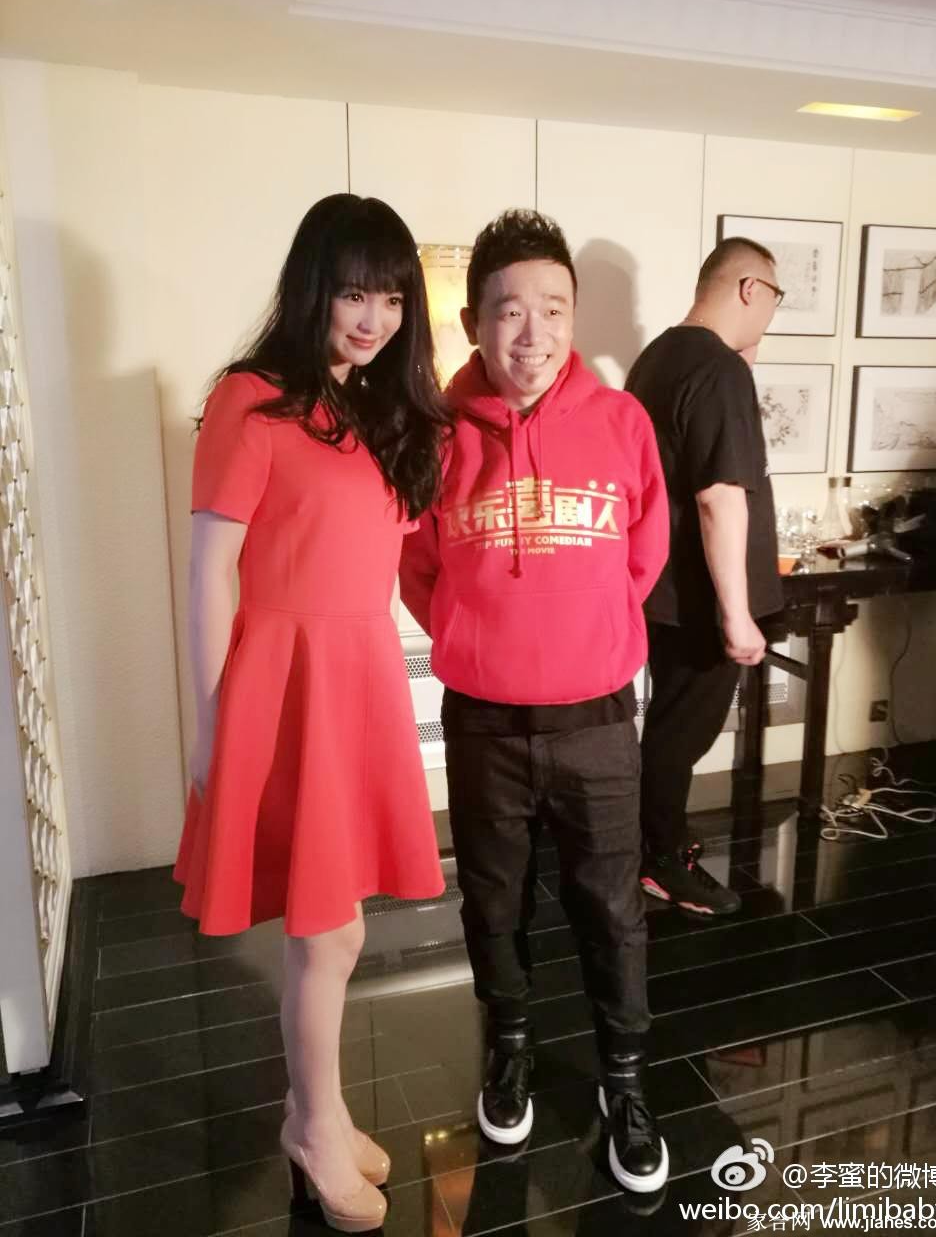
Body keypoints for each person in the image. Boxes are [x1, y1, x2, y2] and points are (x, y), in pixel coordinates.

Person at [174, 194, 448, 1233]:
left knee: (338, 924)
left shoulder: (374, 409)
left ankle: (311, 1112)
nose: (373, 317)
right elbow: (210, 573)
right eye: (353, 292)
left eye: (392, 298)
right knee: (327, 928)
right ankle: (317, 1125)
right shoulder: (252, 401)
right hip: (284, 683)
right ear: (313, 288)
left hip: (357, 676)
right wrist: (211, 726)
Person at [400, 210, 670, 1194]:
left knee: (613, 908)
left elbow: (643, 554)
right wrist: (484, 635)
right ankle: (507, 1049)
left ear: (573, 316)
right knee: (493, 898)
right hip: (483, 723)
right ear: (474, 322)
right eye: (509, 311)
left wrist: (583, 631)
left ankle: (625, 1081)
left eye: (553, 308)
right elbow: (419, 568)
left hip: (598, 720)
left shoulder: (623, 422)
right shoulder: (435, 434)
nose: (533, 332)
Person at [624, 237, 784, 917]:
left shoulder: (658, 357)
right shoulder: (716, 370)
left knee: (668, 722)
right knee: (679, 734)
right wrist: (737, 614)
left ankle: (651, 847)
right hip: (700, 598)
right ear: (749, 288)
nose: (773, 312)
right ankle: (659, 862)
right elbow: (719, 497)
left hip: (661, 588)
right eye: (774, 297)